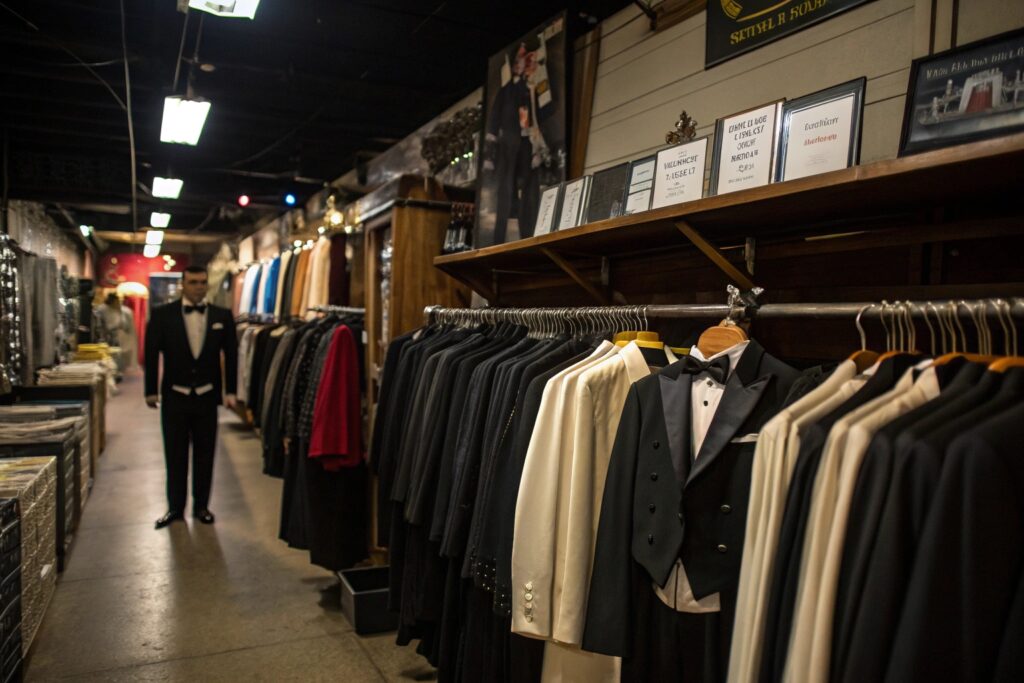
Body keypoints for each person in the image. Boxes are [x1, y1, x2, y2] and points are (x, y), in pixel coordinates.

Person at [144, 265, 238, 529]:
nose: (199, 286)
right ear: (182, 285)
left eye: (202, 282)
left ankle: (201, 506)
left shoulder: (222, 315)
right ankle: (175, 508)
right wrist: (150, 390)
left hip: (207, 397)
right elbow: (151, 355)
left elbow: (231, 356)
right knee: (174, 454)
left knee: (205, 454)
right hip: (175, 396)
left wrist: (231, 392)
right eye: (193, 282)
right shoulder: (163, 315)